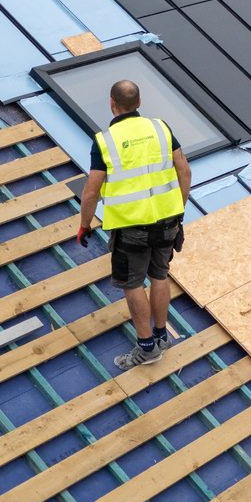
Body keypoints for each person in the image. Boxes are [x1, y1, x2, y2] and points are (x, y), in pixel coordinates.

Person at [75, 78, 191, 368]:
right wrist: (177, 211)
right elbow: (184, 171)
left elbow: (91, 191)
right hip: (168, 221)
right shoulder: (160, 128)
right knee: (160, 275)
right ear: (139, 103)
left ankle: (147, 347)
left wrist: (84, 224)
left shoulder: (105, 141)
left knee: (133, 283)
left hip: (132, 229)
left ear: (112, 104)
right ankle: (162, 336)